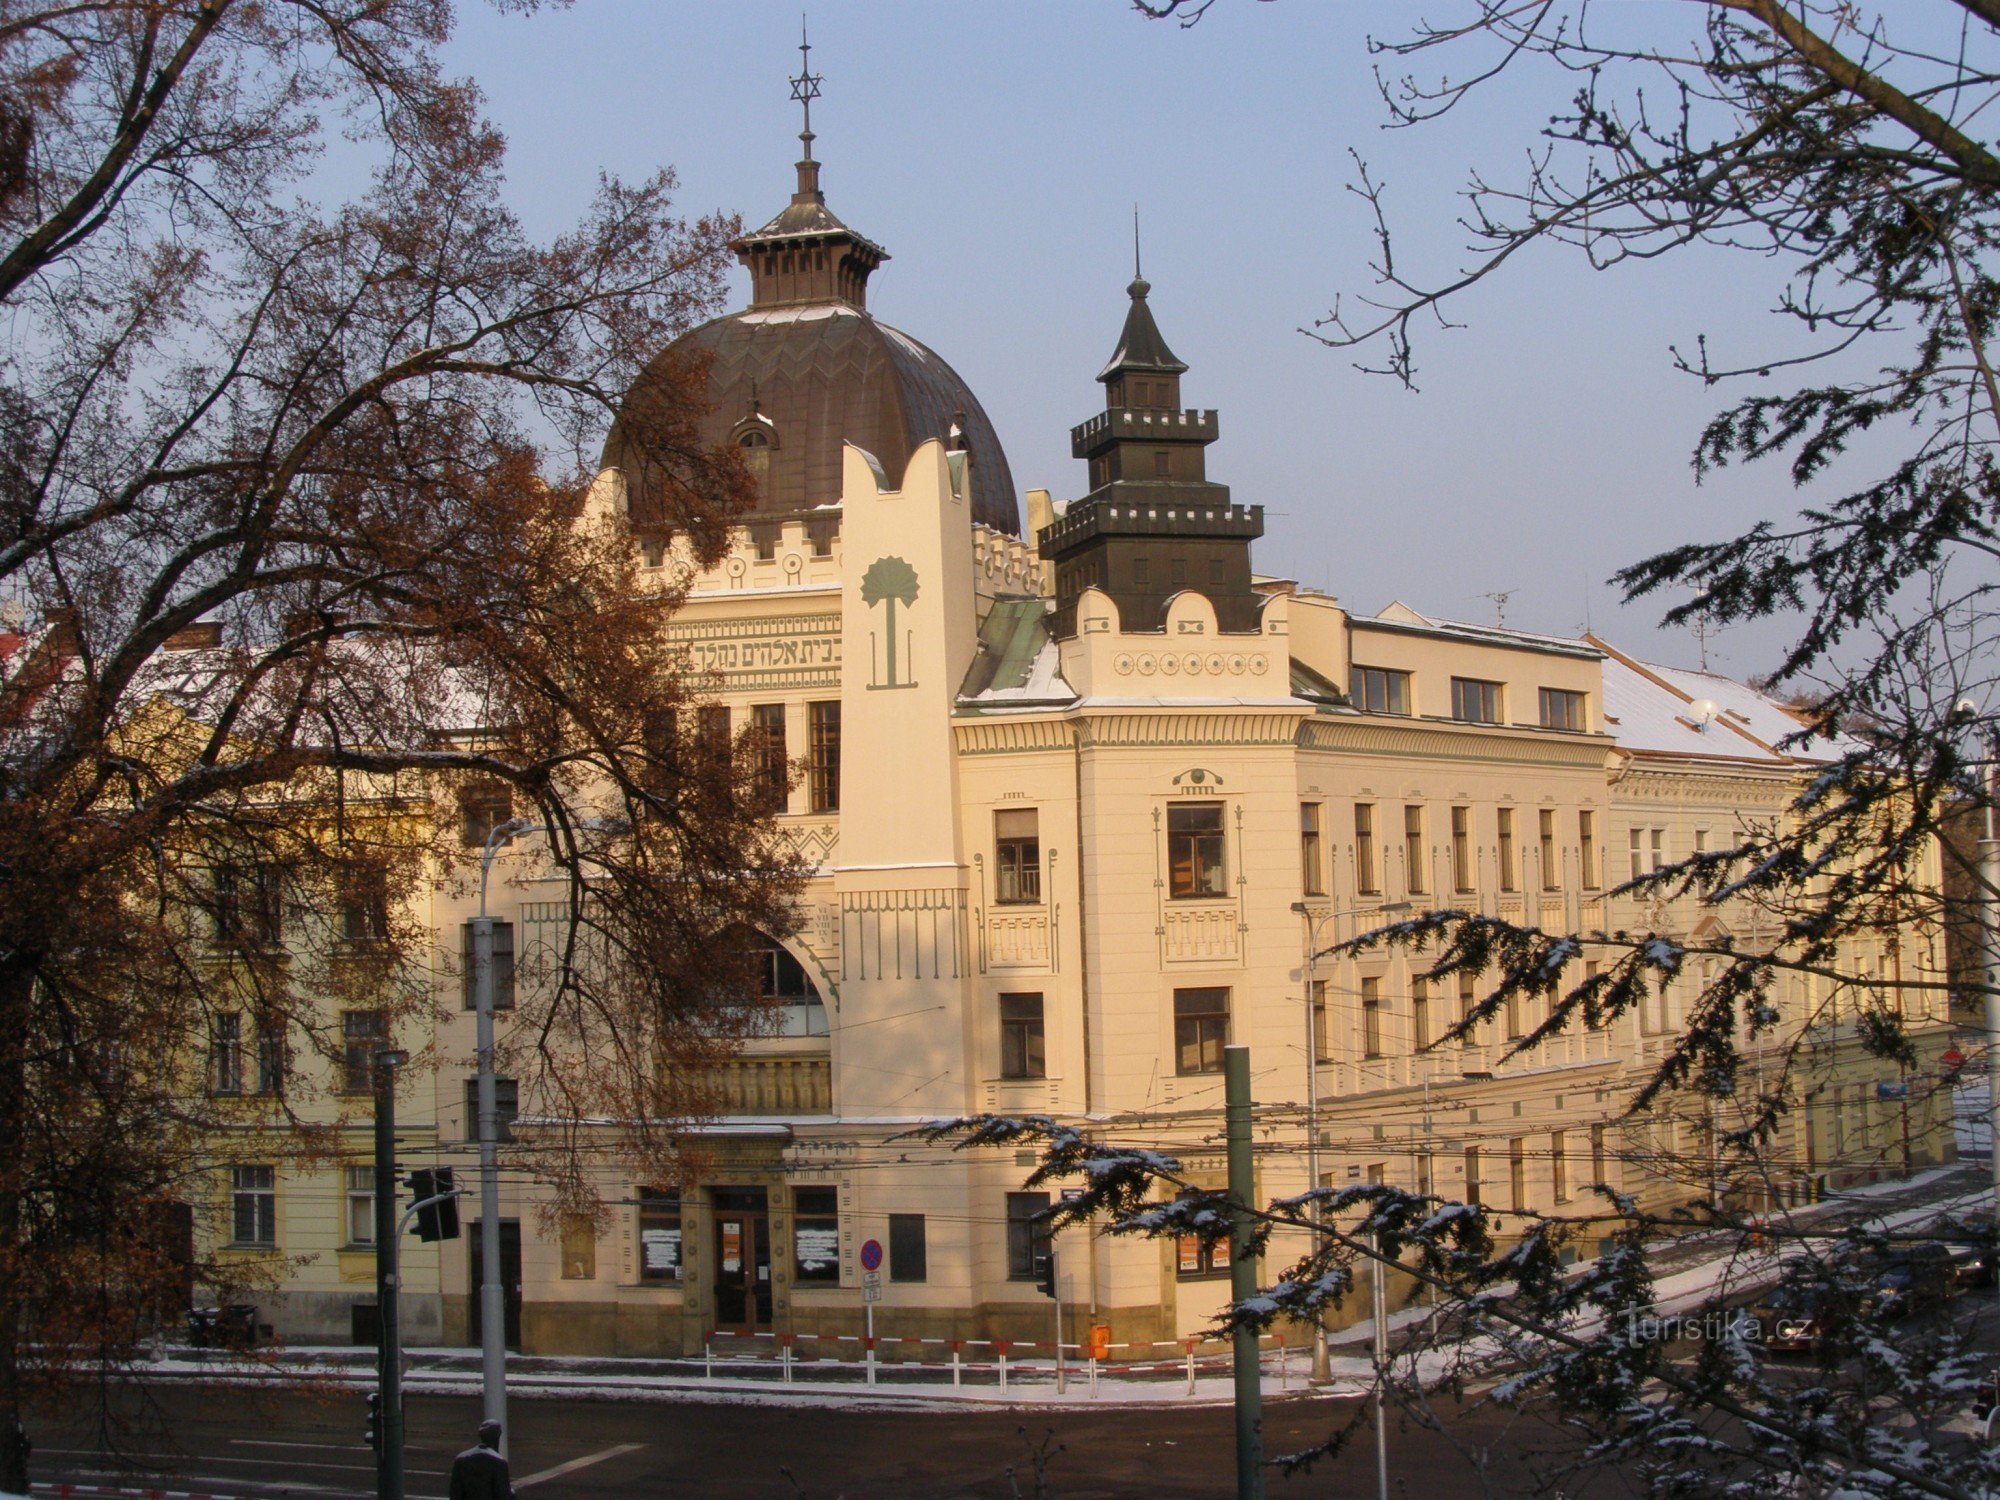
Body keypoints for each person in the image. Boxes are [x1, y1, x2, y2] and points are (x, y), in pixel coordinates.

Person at [448, 1419, 512, 1500]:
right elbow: (503, 1495)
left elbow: (454, 1493)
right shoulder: (499, 1462)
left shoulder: (461, 1459)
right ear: (498, 1436)